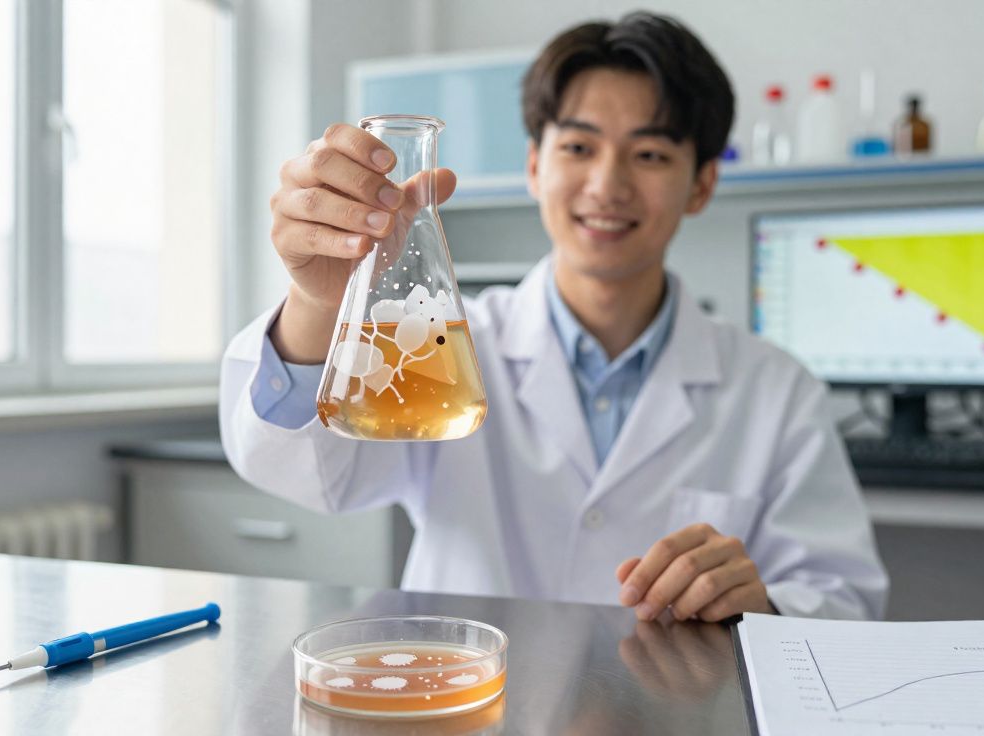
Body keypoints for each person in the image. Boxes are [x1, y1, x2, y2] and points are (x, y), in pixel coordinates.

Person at [220, 11, 887, 621]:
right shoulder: (444, 347)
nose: (607, 185)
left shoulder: (776, 390)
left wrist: (761, 604)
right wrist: (319, 302)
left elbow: (844, 602)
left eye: (650, 154)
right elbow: (300, 474)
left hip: (675, 714)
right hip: (475, 707)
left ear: (703, 183)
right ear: (536, 166)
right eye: (579, 147)